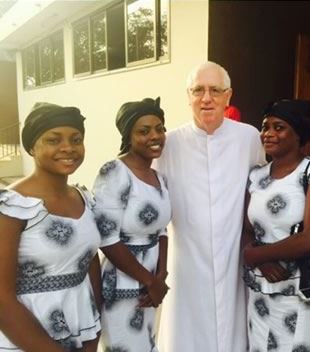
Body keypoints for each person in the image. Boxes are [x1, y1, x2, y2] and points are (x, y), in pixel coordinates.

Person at [154, 61, 265, 352]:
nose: (206, 98)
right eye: (198, 90)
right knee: (184, 334)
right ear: (187, 96)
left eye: (215, 90)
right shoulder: (169, 143)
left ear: (228, 96)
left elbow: (263, 190)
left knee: (232, 332)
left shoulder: (249, 137)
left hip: (232, 257)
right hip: (185, 259)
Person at [0, 103, 101, 351]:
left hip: (82, 333)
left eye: (76, 139)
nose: (68, 147)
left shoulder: (84, 197)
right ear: (32, 147)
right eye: (53, 140)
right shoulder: (13, 207)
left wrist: (94, 329)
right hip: (28, 340)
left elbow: (90, 261)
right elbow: (2, 298)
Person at [241, 99, 310, 352]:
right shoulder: (256, 175)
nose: (268, 134)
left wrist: (255, 254)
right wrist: (262, 261)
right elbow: (246, 229)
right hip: (260, 289)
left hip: (299, 290)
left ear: (298, 134)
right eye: (265, 127)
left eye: (279, 127)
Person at [92, 97, 171, 352]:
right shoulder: (115, 172)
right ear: (128, 135)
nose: (155, 136)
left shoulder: (159, 177)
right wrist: (149, 280)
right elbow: (107, 238)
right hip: (123, 286)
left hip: (152, 287)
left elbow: (162, 231)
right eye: (144, 131)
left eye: (159, 128)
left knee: (147, 346)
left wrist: (161, 276)